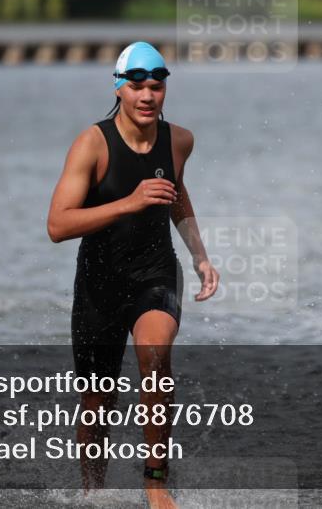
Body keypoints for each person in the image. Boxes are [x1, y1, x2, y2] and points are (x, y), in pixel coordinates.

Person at [47, 42, 219, 509]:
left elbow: (176, 195)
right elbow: (57, 225)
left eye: (156, 86)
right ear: (119, 88)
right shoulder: (91, 144)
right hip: (99, 284)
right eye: (137, 86)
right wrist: (129, 202)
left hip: (155, 273)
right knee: (97, 403)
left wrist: (200, 255)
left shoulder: (179, 140)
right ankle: (93, 493)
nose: (147, 96)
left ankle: (156, 483)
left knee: (156, 358)